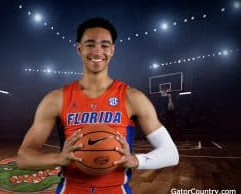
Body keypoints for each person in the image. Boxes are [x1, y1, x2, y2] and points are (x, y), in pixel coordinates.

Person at [17, 17, 179, 194]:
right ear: (79, 48)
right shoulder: (56, 99)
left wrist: (136, 160)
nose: (97, 51)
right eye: (90, 44)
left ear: (112, 50)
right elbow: (24, 157)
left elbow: (171, 153)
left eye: (104, 45)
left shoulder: (132, 97)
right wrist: (59, 158)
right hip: (70, 189)